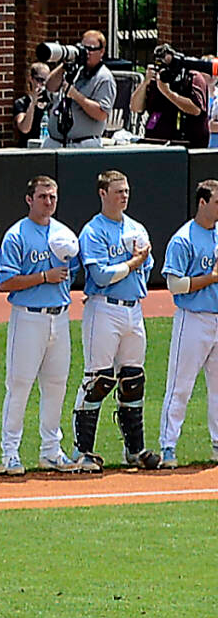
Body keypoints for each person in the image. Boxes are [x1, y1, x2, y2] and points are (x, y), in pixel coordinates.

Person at [0, 176, 80, 475]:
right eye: (43, 196)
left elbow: (73, 273)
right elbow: (4, 281)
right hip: (28, 316)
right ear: (29, 199)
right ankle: (10, 452)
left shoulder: (64, 234)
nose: (48, 202)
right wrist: (43, 277)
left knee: (56, 385)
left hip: (60, 315)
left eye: (53, 196)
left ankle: (51, 450)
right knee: (19, 385)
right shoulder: (17, 235)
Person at [74, 168, 156, 471]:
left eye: (126, 191)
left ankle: (135, 449)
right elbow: (100, 275)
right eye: (118, 191)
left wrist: (135, 265)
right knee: (99, 379)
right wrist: (133, 262)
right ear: (103, 194)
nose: (124, 196)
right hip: (103, 308)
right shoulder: (93, 231)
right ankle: (82, 451)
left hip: (134, 308)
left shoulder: (136, 228)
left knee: (133, 378)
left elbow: (147, 268)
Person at [159, 179, 218, 468]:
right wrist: (211, 277)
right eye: (217, 202)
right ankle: (168, 446)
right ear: (202, 202)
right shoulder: (184, 239)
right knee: (180, 385)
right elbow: (174, 284)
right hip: (193, 319)